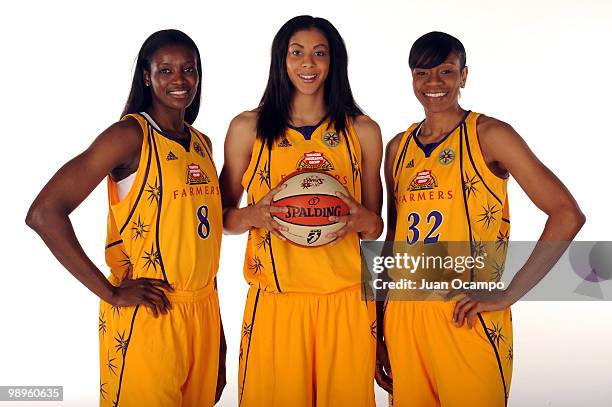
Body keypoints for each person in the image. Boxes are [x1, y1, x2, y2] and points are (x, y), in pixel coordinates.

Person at [376, 31, 585, 407]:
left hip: (465, 313)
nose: (434, 83)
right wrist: (378, 328)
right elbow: (392, 242)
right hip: (403, 318)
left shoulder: (489, 135)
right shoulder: (398, 147)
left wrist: (510, 293)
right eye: (423, 73)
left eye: (446, 71)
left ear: (464, 75)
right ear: (412, 79)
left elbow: (566, 214)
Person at [26, 29, 226, 407]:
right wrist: (112, 293)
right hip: (151, 313)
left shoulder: (202, 144)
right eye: (165, 70)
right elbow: (44, 213)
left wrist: (217, 335)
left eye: (189, 69)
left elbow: (202, 246)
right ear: (146, 76)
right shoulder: (129, 136)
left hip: (203, 314)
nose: (179, 79)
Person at [219, 15, 384, 407]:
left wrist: (362, 220)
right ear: (281, 59)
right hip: (276, 300)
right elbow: (221, 218)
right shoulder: (249, 127)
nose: (307, 64)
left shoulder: (362, 130)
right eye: (297, 53)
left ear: (334, 61)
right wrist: (251, 216)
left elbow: (375, 228)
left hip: (345, 301)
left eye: (318, 53)